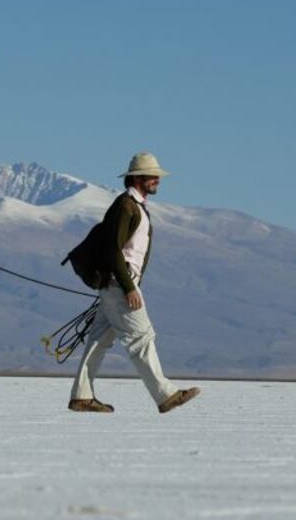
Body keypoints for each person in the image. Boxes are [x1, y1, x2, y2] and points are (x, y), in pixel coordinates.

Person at [68, 152, 200, 414]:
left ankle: (81, 396)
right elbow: (112, 251)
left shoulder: (134, 206)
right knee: (142, 337)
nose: (157, 181)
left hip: (117, 283)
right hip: (121, 283)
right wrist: (129, 287)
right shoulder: (126, 206)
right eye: (153, 177)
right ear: (139, 178)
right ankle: (166, 395)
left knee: (98, 340)